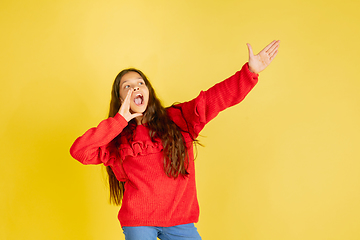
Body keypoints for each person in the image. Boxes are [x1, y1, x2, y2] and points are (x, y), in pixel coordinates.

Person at [70, 40, 280, 240]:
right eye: (127, 86)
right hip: (138, 221)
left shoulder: (179, 119)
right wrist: (120, 120)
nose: (135, 88)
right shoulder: (116, 137)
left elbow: (215, 99)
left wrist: (249, 73)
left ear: (148, 91)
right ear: (120, 99)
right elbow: (79, 151)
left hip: (180, 221)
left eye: (140, 83)